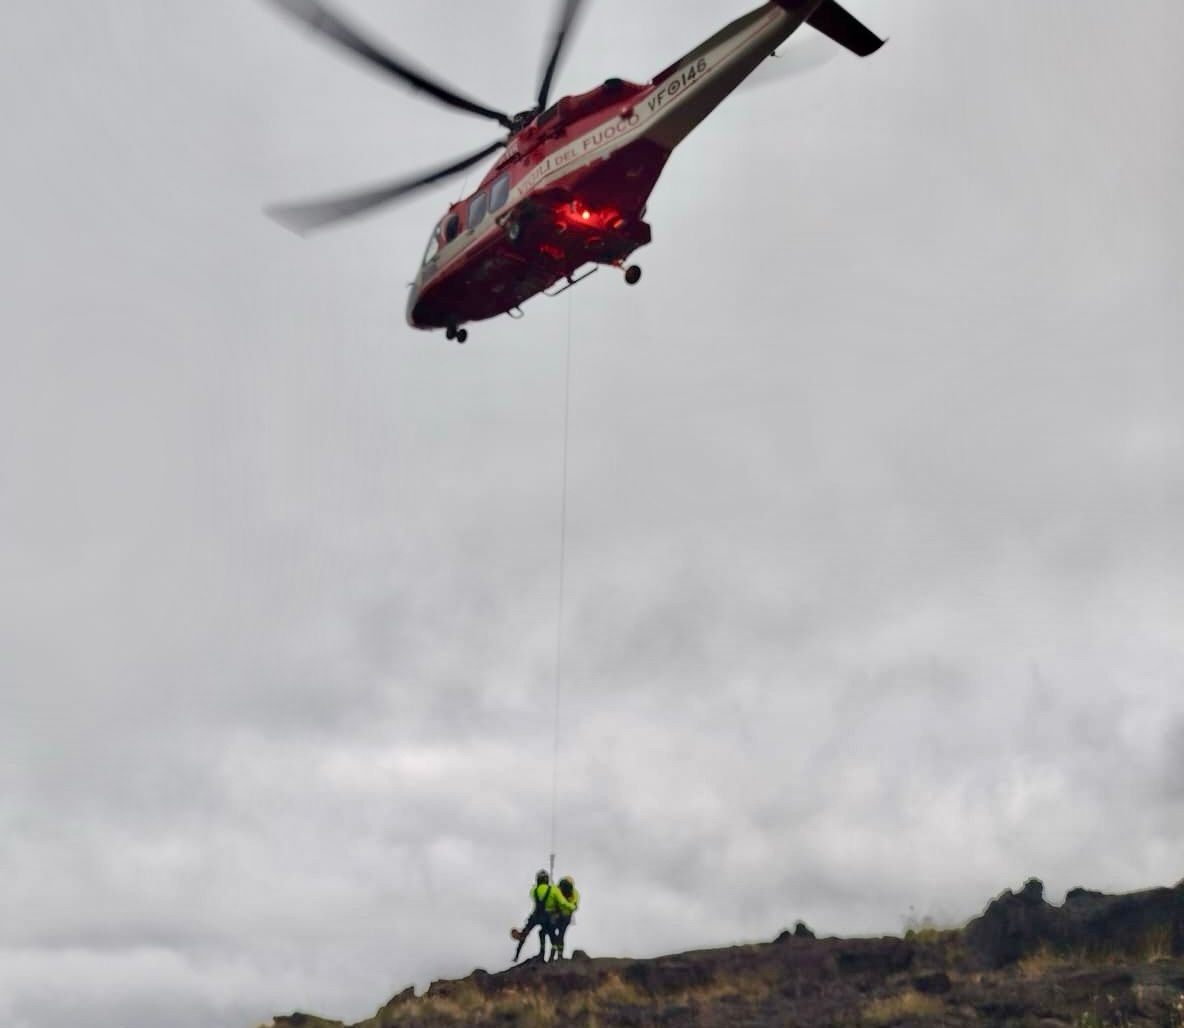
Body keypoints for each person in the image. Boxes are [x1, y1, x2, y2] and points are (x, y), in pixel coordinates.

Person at [513, 869, 554, 962]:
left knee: (525, 933)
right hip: (546, 916)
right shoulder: (551, 890)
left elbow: (534, 893)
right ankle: (543, 953)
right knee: (544, 933)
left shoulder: (533, 890)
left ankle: (516, 955)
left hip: (535, 915)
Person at [547, 876, 580, 961]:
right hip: (566, 918)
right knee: (561, 935)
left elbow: (552, 902)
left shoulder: (557, 890)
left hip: (556, 916)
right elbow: (575, 906)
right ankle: (560, 955)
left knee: (553, 933)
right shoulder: (575, 893)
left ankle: (552, 952)